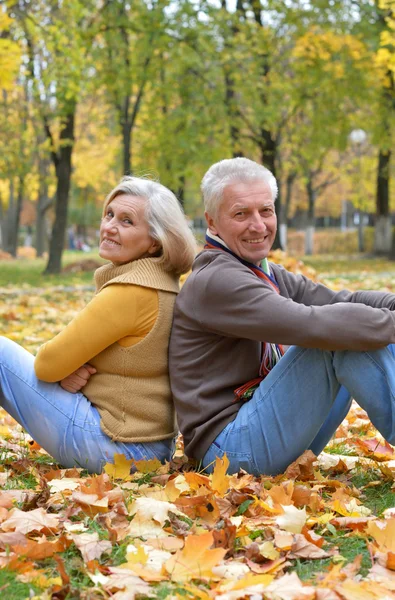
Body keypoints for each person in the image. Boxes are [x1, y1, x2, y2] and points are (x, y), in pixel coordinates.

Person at [169, 157, 395, 476]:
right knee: (338, 336)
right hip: (229, 452)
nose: (259, 225)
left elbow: (342, 300)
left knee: (353, 322)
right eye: (241, 214)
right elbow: (311, 324)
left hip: (264, 429)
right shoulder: (217, 281)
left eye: (266, 210)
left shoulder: (262, 271)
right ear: (212, 221)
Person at [0, 176, 196, 473]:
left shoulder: (130, 291)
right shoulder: (163, 283)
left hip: (116, 448)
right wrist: (66, 370)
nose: (110, 227)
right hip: (152, 447)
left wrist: (63, 370)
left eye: (127, 221)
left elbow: (47, 365)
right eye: (109, 214)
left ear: (155, 240)